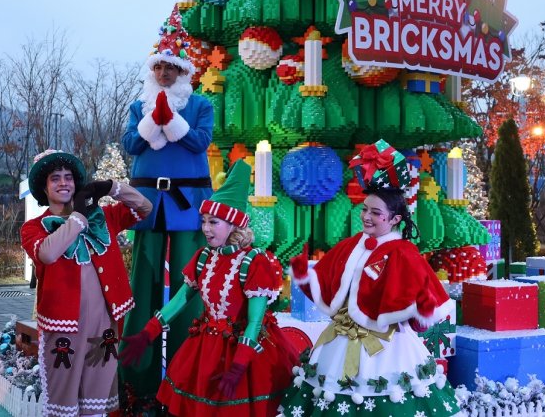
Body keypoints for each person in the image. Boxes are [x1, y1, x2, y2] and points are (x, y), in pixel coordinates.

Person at [278, 143, 459, 417]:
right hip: (340, 340)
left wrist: (420, 309)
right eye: (365, 209)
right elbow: (326, 282)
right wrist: (305, 275)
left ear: (395, 218)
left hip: (387, 348)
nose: (366, 217)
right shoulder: (353, 244)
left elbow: (422, 306)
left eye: (376, 213)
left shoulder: (404, 252)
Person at [119, 161, 298, 416]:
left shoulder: (254, 261)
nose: (205, 228)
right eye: (203, 221)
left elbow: (255, 322)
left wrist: (239, 365)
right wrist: (148, 332)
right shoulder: (204, 257)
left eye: (213, 222)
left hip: (244, 351)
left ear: (234, 225)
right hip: (206, 347)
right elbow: (181, 299)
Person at [120, 4, 214, 396]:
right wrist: (150, 120)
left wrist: (172, 122)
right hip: (146, 206)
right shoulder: (138, 105)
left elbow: (199, 142)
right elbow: (130, 143)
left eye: (170, 68)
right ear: (152, 70)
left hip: (186, 207)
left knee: (186, 284)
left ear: (182, 72)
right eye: (158, 68)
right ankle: (138, 378)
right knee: (142, 284)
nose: (163, 74)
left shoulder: (200, 105)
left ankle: (184, 375)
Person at [20, 149, 152, 416]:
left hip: (104, 322)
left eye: (68, 177)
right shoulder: (35, 227)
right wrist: (77, 217)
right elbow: (47, 253)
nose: (63, 183)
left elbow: (145, 208)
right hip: (63, 324)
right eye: (55, 178)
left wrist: (113, 187)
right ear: (44, 188)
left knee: (98, 396)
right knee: (63, 394)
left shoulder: (103, 217)